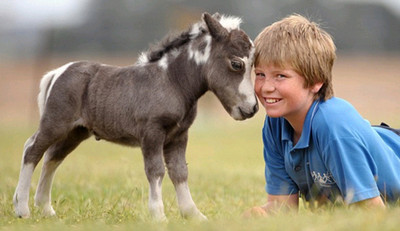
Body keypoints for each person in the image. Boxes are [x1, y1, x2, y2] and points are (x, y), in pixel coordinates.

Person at [246, 14, 400, 216]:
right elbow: (283, 209)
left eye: (280, 76)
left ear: (315, 81)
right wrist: (259, 216)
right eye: (260, 74)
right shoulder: (275, 124)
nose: (266, 87)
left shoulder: (333, 126)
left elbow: (373, 216)